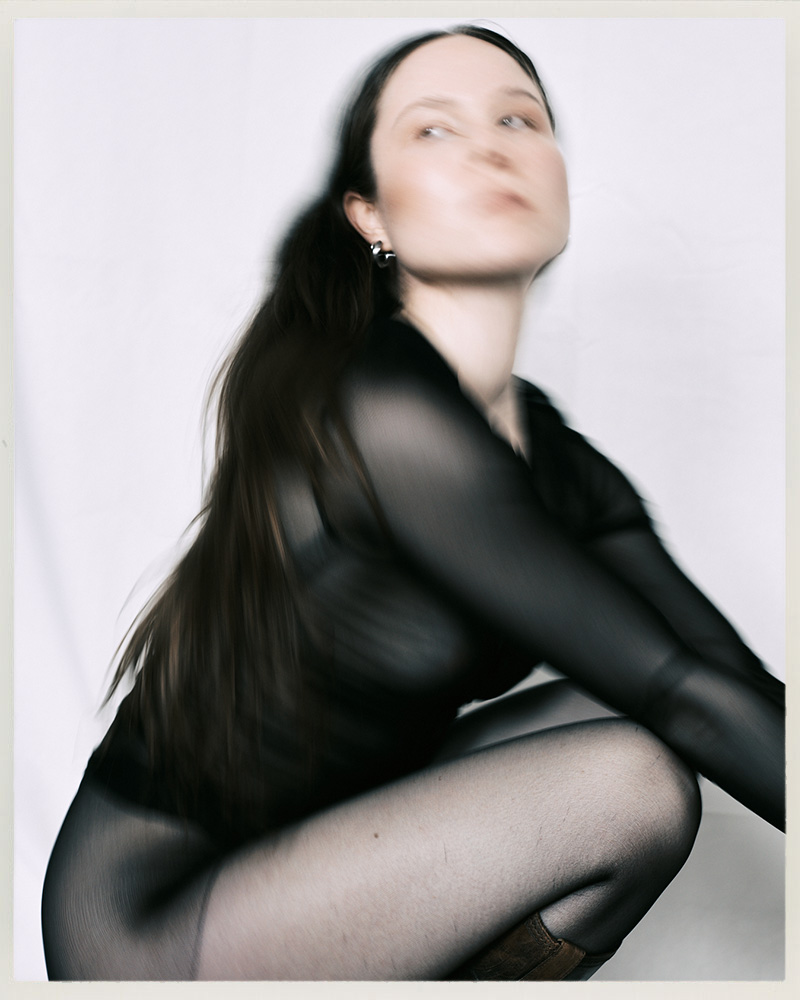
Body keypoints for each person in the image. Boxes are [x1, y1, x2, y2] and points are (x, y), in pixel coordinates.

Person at [40, 25, 784, 981]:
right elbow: (682, 691)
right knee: (632, 782)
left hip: (334, 848)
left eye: (520, 120)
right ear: (370, 215)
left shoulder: (551, 455)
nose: (490, 148)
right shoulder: (383, 406)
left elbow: (718, 679)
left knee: (645, 725)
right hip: (155, 917)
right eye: (435, 130)